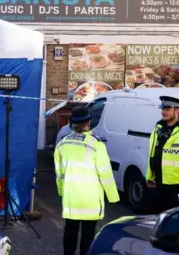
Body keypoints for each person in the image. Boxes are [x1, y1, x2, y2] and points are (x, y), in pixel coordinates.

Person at [54, 106, 120, 255]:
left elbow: (59, 174)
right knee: (88, 233)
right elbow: (106, 174)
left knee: (70, 231)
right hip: (90, 200)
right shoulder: (96, 145)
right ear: (88, 123)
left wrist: (61, 191)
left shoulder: (62, 144)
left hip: (71, 198)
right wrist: (113, 197)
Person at [146, 96, 179, 213]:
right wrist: (150, 176)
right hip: (159, 183)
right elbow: (152, 155)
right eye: (162, 109)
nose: (163, 112)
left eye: (167, 109)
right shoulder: (158, 130)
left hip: (177, 187)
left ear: (177, 111)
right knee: (160, 218)